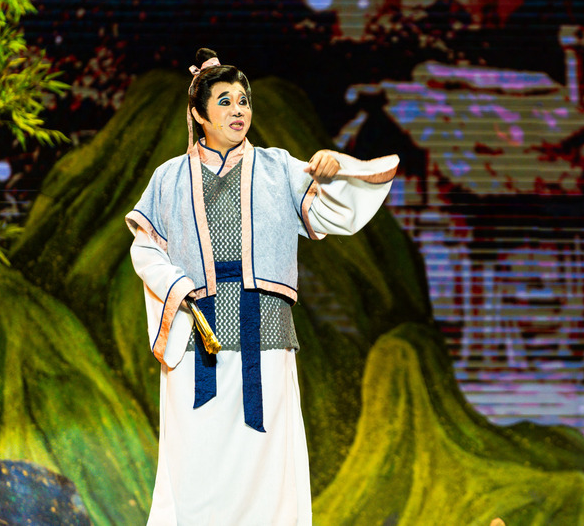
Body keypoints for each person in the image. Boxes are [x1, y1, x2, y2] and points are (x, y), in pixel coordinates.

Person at [125, 48, 398, 525]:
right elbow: (145, 247)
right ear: (199, 113)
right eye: (225, 101)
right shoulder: (169, 178)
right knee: (195, 462)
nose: (238, 110)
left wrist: (335, 169)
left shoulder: (279, 168)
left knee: (269, 467)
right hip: (200, 339)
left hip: (266, 338)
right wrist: (177, 285)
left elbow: (336, 212)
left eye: (244, 100)